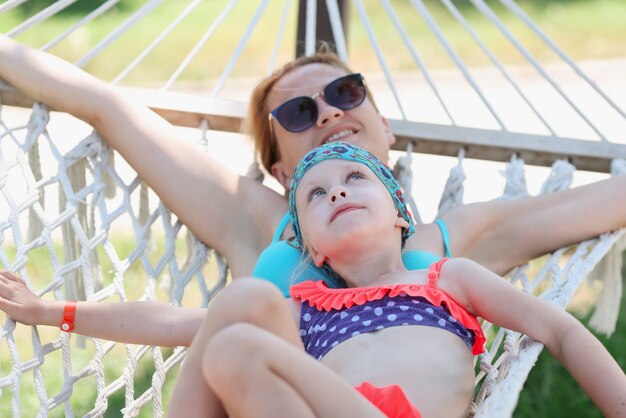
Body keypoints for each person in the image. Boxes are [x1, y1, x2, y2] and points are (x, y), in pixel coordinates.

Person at [1, 142, 624, 418]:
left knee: (240, 334)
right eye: (317, 195)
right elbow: (171, 322)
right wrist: (50, 310)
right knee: (244, 305)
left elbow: (561, 331)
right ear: (309, 246)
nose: (338, 192)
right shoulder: (304, 308)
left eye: (356, 180)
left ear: (401, 210)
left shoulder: (447, 278)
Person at [0, 35, 625, 298]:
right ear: (277, 170)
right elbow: (108, 108)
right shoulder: (253, 222)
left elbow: (597, 204)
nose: (327, 113)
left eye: (346, 94)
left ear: (387, 127)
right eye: (298, 113)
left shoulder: (458, 240)